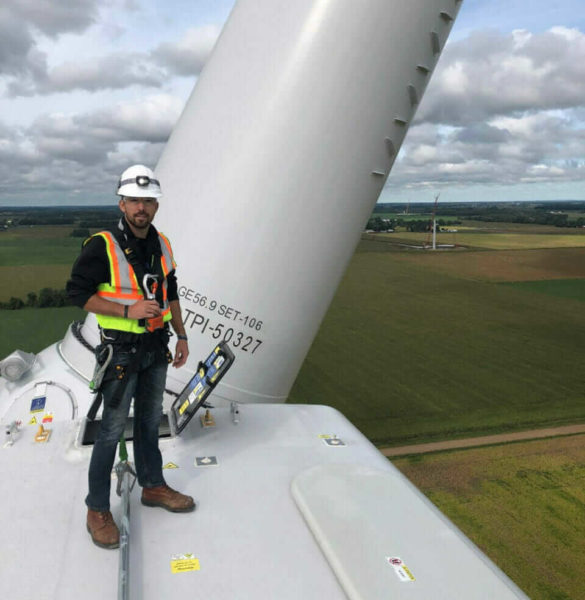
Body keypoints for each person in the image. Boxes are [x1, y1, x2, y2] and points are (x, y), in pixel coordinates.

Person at [67, 164, 195, 550]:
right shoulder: (101, 245)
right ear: (122, 203)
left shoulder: (163, 243)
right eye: (134, 200)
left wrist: (182, 335)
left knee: (148, 423)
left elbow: (171, 291)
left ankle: (153, 486)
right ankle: (97, 509)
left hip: (156, 348)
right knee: (110, 432)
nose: (141, 207)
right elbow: (77, 294)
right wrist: (127, 312)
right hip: (121, 350)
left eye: (148, 201)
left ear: (156, 205)